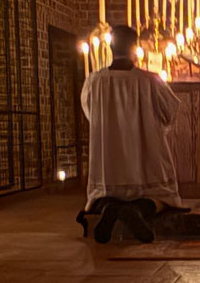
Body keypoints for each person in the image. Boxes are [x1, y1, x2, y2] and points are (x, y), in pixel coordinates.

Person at [80, 25, 185, 244]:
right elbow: (170, 112)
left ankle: (110, 207)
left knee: (98, 197)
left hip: (108, 165)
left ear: (110, 46)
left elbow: (91, 115)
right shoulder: (150, 80)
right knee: (164, 197)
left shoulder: (94, 81)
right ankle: (137, 210)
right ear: (134, 47)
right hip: (145, 164)